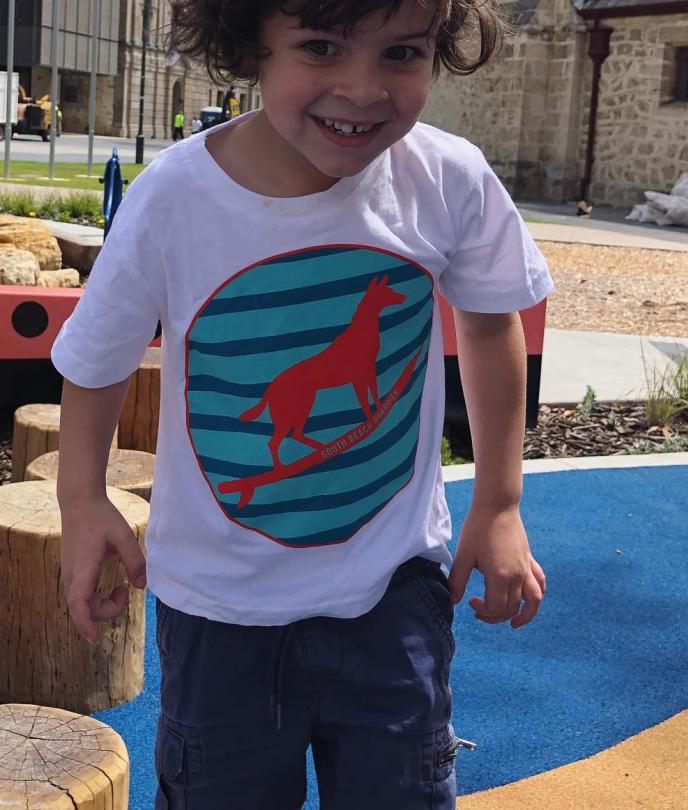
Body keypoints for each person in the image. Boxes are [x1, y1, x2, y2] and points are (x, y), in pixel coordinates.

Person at [51, 0, 551, 807]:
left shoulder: (447, 179)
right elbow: (96, 355)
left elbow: (491, 328)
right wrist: (82, 496)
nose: (361, 88)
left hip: (392, 596)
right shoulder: (176, 195)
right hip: (220, 611)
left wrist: (499, 502)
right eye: (320, 47)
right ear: (251, 43)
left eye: (402, 54)